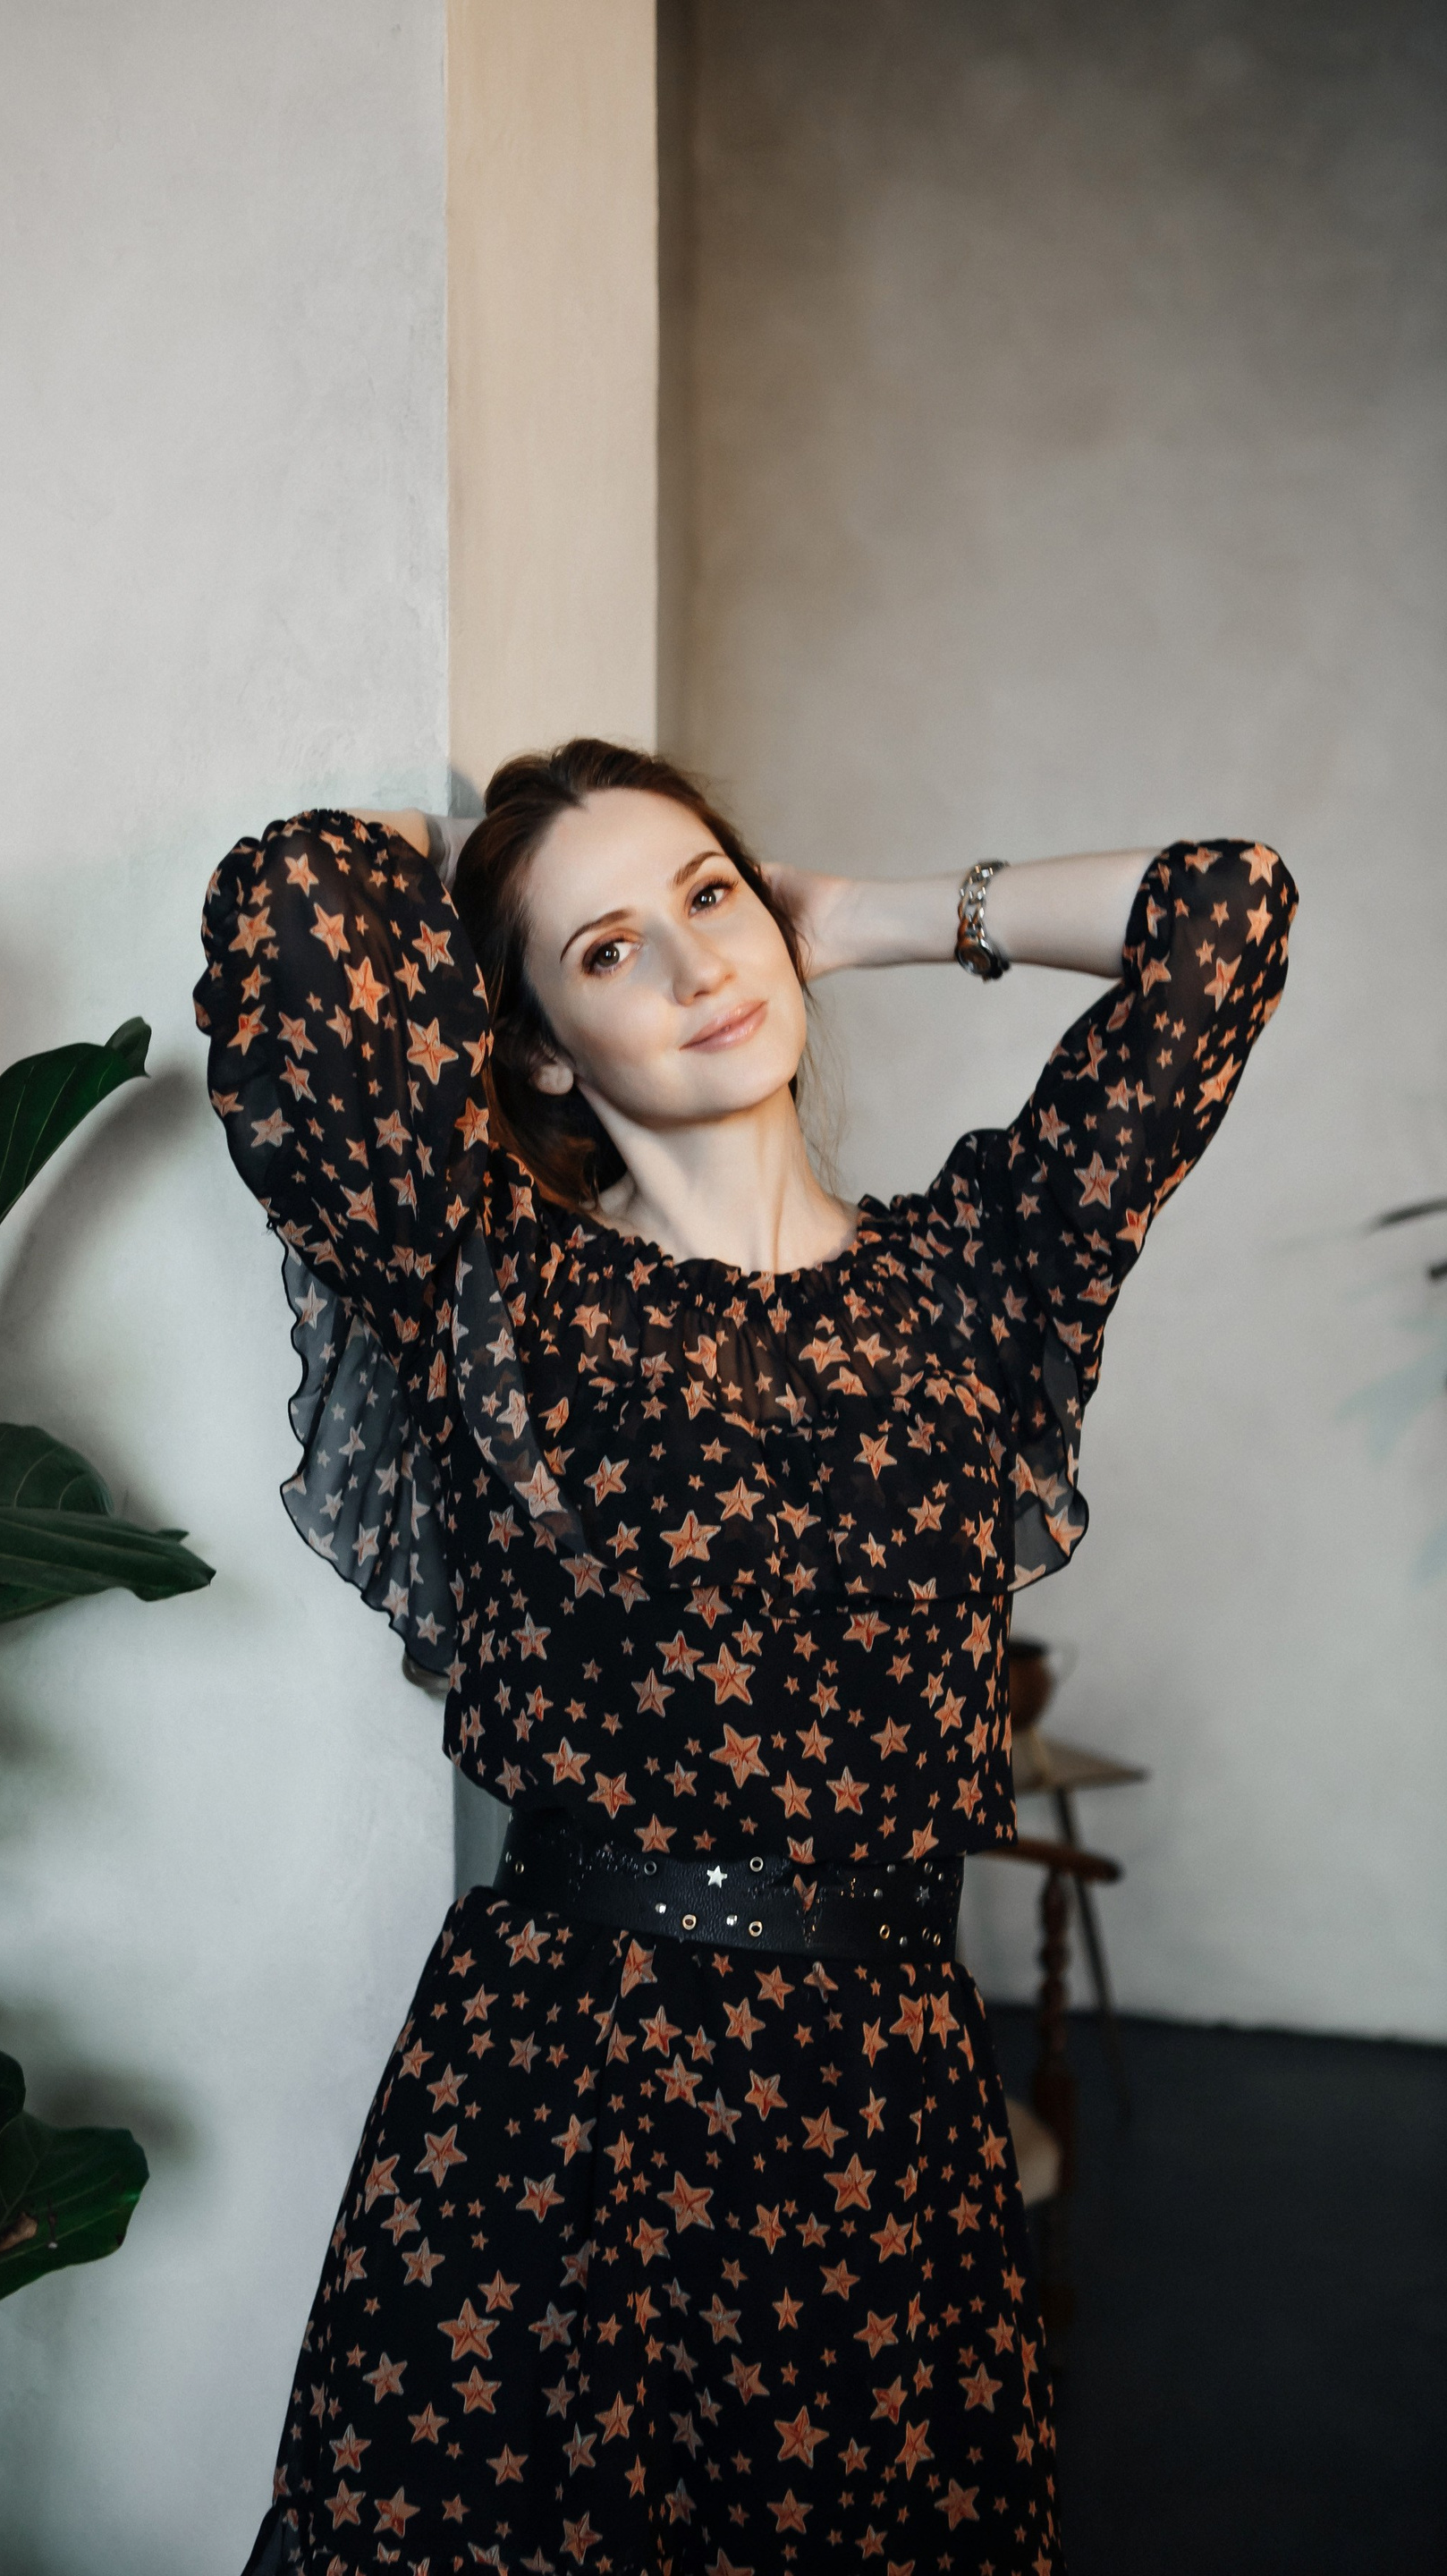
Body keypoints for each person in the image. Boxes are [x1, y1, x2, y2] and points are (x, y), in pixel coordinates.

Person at [196, 739, 1295, 2576]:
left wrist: (856, 916)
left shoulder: (980, 1280)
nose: (700, 964)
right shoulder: (500, 1294)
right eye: (608, 950)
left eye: (710, 897)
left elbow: (1229, 912)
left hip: (877, 2116)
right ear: (543, 1047)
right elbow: (298, 898)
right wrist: (489, 861)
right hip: (552, 2106)